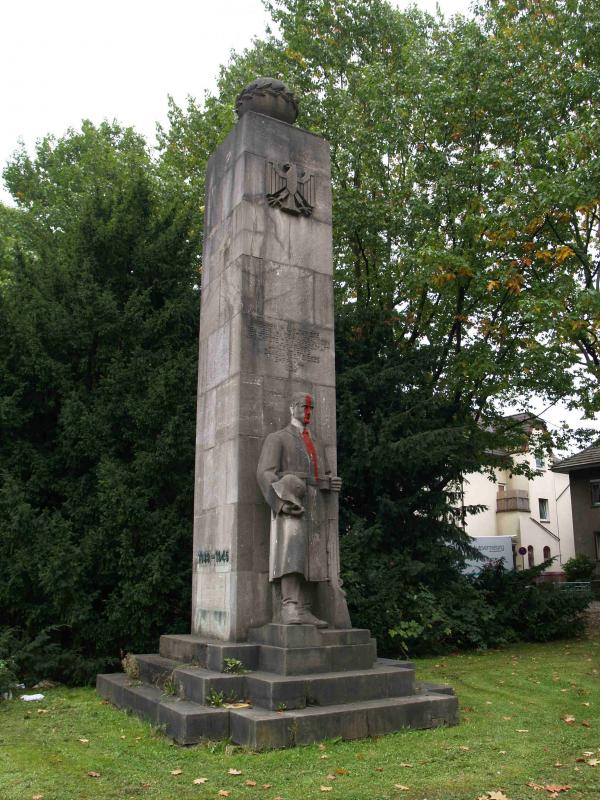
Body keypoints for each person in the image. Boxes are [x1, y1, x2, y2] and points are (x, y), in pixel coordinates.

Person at [256, 392, 342, 626]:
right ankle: (289, 606)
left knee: (313, 556)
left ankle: (304, 608)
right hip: (291, 501)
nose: (308, 412)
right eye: (304, 407)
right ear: (292, 408)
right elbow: (265, 473)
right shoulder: (278, 438)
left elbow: (320, 474)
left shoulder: (316, 441)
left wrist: (329, 481)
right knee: (291, 553)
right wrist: (282, 503)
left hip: (315, 501)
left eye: (311, 408)